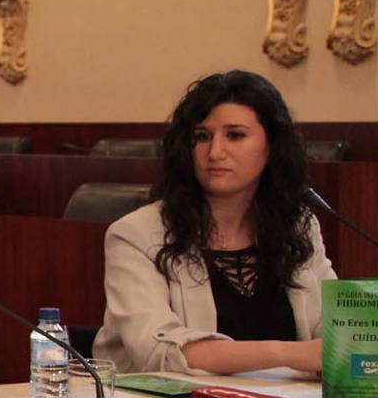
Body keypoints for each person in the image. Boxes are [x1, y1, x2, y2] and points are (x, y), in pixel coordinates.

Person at [95, 71, 333, 375]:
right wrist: (286, 353)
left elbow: (333, 325)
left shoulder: (298, 227)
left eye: (235, 135)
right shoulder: (136, 235)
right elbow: (159, 353)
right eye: (202, 137)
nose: (215, 152)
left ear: (272, 146)